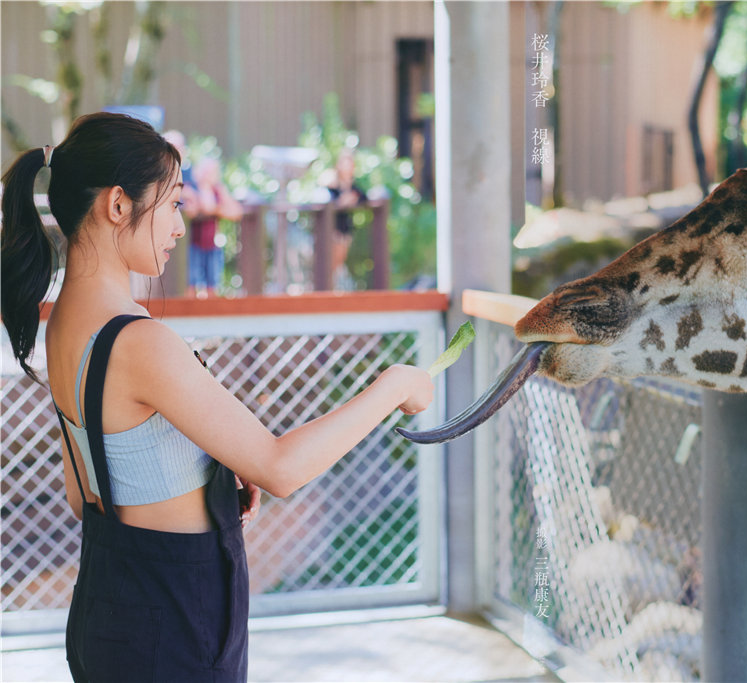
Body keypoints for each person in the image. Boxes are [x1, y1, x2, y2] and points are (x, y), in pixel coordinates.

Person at [0, 113, 435, 682]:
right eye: (173, 204)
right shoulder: (139, 341)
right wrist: (394, 386)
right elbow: (280, 469)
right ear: (118, 205)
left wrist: (205, 466)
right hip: (174, 623)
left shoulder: (61, 325)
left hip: (106, 615)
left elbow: (88, 495)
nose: (180, 227)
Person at [186, 157, 240, 298]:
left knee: (213, 284)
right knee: (191, 283)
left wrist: (216, 208)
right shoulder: (190, 188)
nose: (208, 175)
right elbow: (193, 210)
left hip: (212, 245)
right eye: (205, 171)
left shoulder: (217, 191)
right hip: (193, 244)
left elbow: (235, 212)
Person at [325, 149, 367, 289]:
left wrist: (352, 199)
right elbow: (328, 200)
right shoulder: (332, 184)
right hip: (333, 228)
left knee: (340, 261)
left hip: (345, 228)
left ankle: (334, 287)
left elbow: (363, 196)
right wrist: (341, 202)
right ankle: (328, 287)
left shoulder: (352, 186)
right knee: (332, 261)